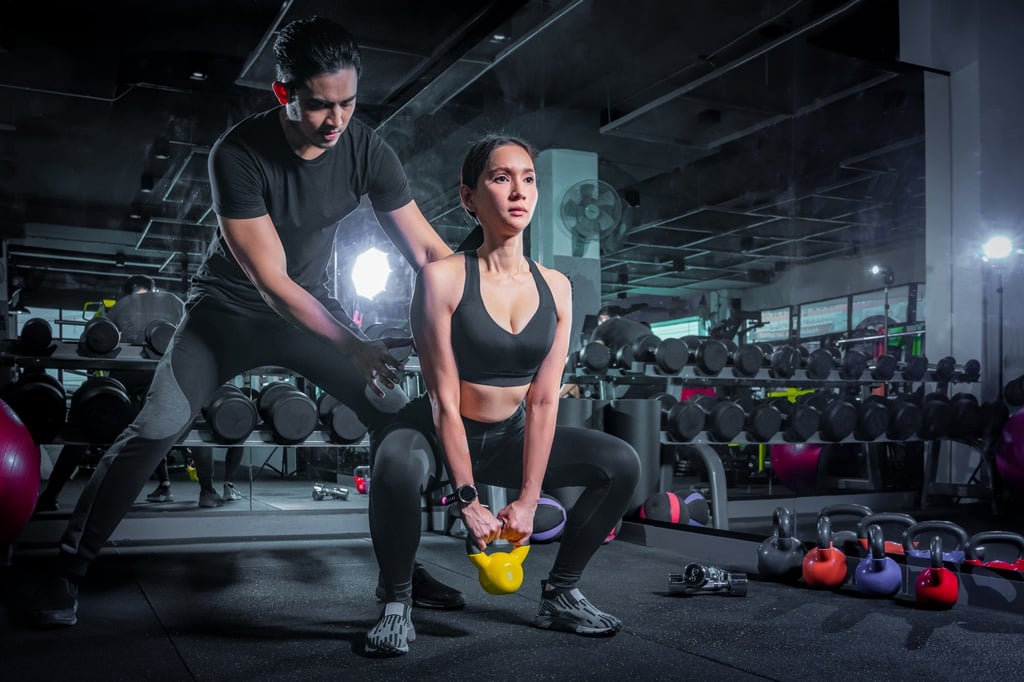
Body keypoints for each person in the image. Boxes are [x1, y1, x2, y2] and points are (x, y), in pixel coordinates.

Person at [27, 15, 461, 628]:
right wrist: (355, 345)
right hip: (227, 315)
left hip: (311, 312)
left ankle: (400, 572)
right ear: (283, 93)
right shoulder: (237, 154)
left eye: (348, 102)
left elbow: (429, 252)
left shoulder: (366, 149)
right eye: (320, 105)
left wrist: (481, 306)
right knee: (157, 425)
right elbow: (272, 283)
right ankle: (68, 569)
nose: (337, 120)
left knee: (396, 418)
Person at [365, 134, 641, 655]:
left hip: (509, 435)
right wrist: (467, 501)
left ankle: (561, 594)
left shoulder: (557, 287)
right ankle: (397, 602)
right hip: (438, 429)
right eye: (501, 177)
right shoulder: (442, 279)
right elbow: (443, 400)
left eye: (528, 179)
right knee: (394, 463)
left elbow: (543, 401)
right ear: (469, 197)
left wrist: (529, 500)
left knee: (620, 463)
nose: (519, 191)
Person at [35, 274, 180, 512]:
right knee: (151, 427)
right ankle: (177, 487)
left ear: (129, 290)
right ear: (152, 288)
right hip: (160, 379)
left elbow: (92, 341)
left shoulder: (122, 306)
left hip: (126, 378)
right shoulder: (174, 302)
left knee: (87, 428)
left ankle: (51, 495)